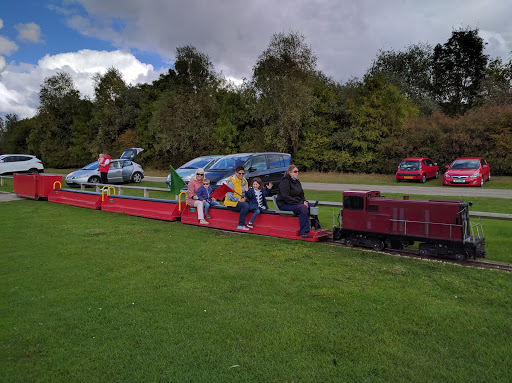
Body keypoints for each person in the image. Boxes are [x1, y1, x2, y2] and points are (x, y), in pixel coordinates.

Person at [276, 165, 310, 238]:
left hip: (295, 203)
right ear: (289, 172)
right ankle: (303, 231)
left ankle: (315, 227)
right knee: (303, 208)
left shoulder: (297, 182)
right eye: (295, 171)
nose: (297, 173)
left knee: (311, 206)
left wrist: (304, 201)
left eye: (297, 171)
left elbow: (302, 194)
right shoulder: (284, 182)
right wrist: (301, 203)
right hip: (284, 204)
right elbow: (286, 197)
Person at [224, 165, 250, 230]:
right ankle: (240, 225)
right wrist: (239, 200)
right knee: (245, 205)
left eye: (243, 173)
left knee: (253, 203)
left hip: (242, 200)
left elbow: (246, 192)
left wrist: (246, 198)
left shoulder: (244, 181)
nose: (241, 175)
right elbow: (229, 196)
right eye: (239, 173)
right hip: (231, 203)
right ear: (236, 173)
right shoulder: (231, 182)